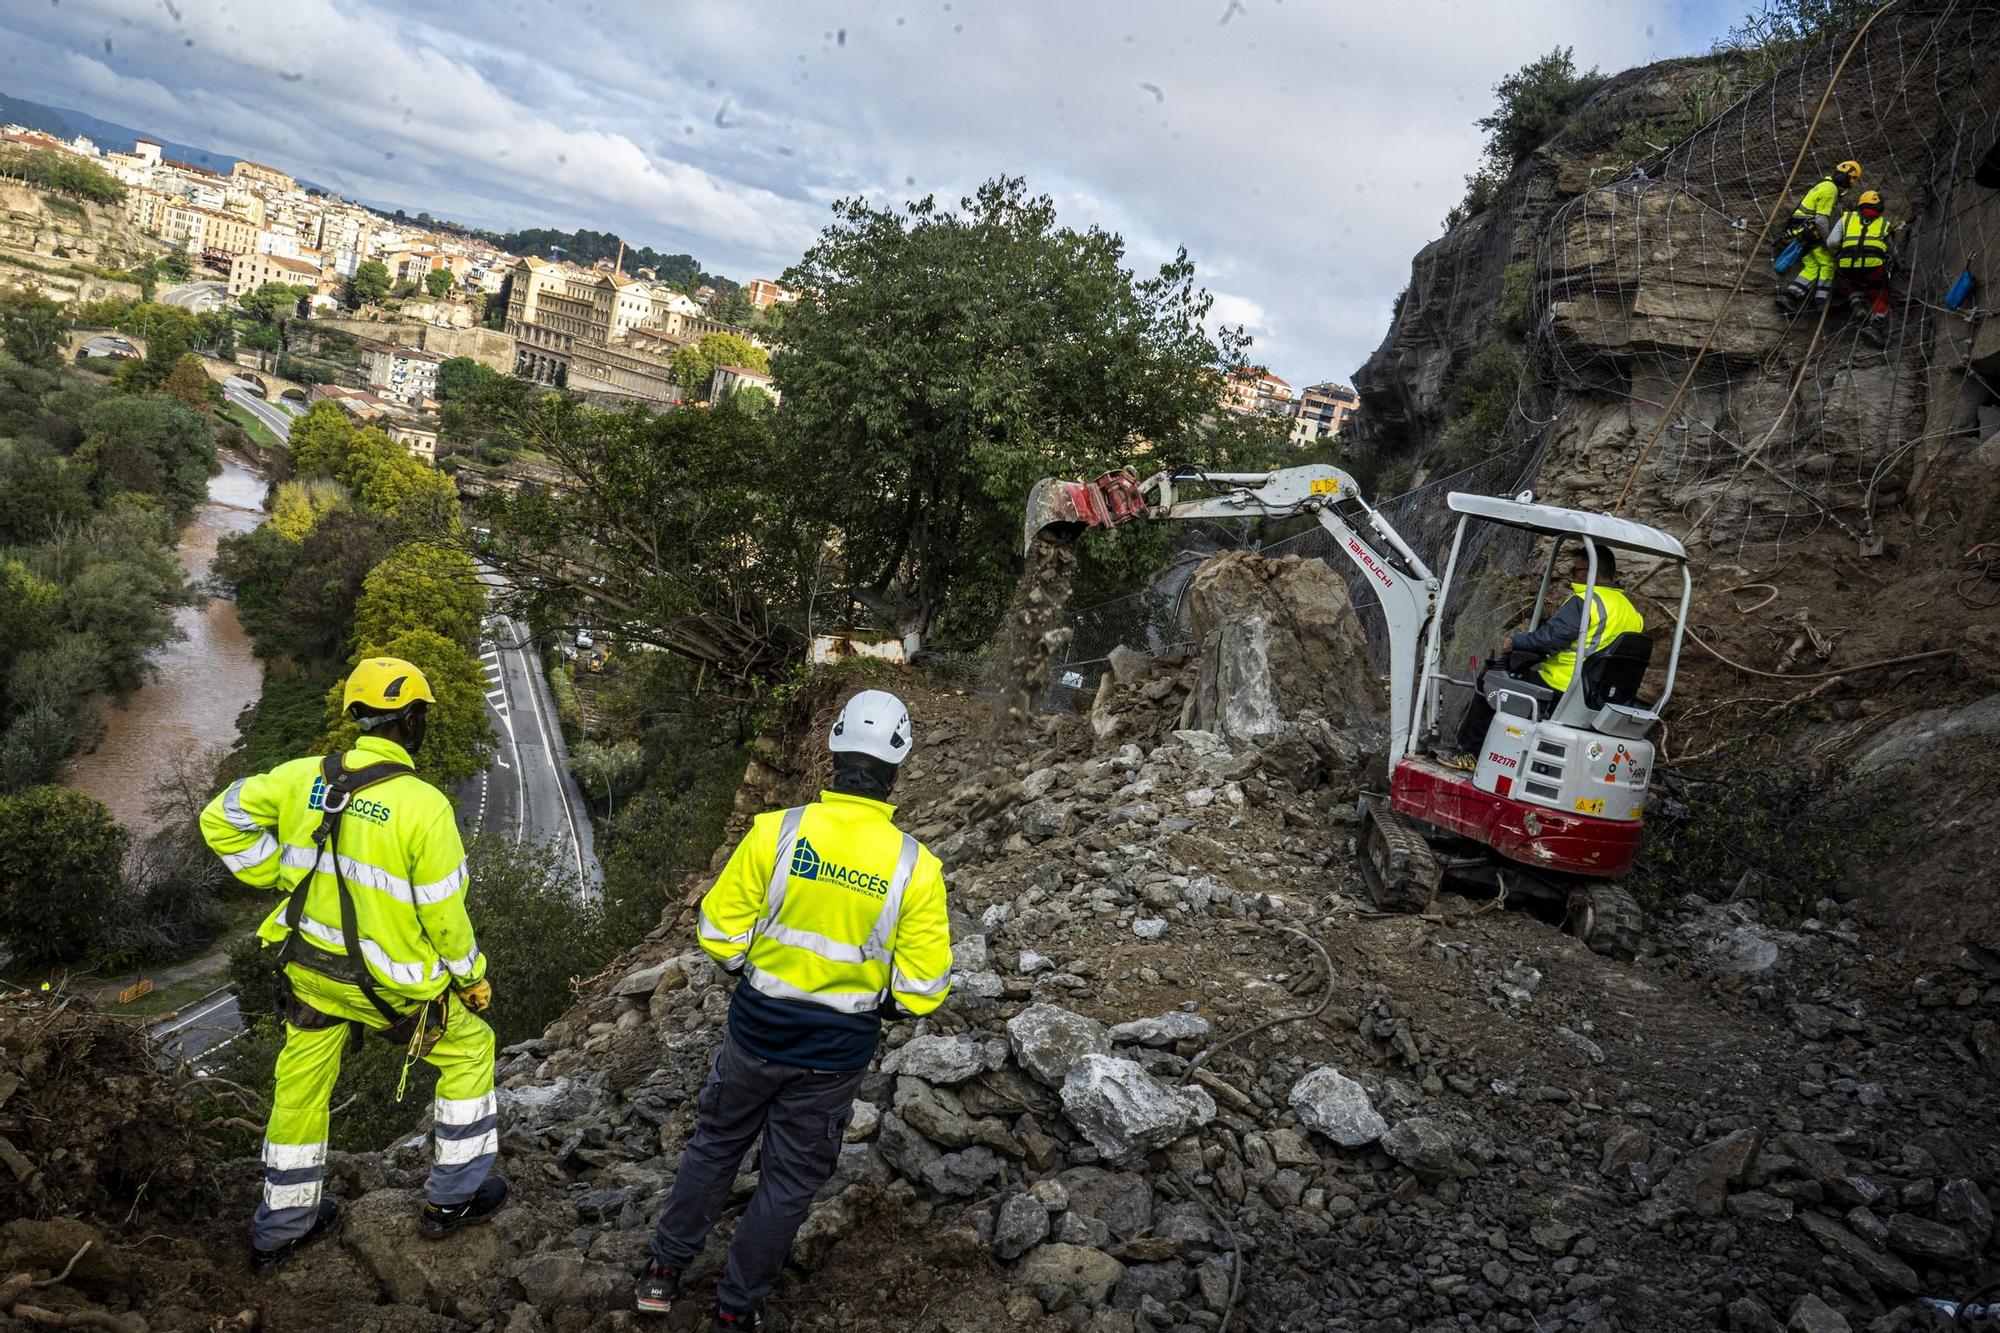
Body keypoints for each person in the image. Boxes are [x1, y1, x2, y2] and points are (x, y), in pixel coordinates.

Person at [635, 689, 954, 1330]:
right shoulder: (915, 869)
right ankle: (734, 1312)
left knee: (713, 1149)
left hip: (754, 1034)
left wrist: (755, 976)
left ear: (833, 750)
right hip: (833, 1059)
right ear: (898, 765)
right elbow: (922, 989)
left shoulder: (776, 832)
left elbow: (718, 935)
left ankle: (662, 1275)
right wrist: (875, 1007)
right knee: (787, 1184)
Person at [200, 657, 506, 1272]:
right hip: (395, 988)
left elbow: (220, 818)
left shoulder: (299, 777)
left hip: (311, 972)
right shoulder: (423, 807)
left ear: (357, 719)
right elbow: (445, 918)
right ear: (413, 720)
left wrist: (279, 875)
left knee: (300, 1087)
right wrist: (471, 980)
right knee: (470, 1051)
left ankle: (283, 1226)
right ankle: (454, 1199)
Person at [1449, 546, 1645, 765]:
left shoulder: (1586, 600)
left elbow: (1552, 639)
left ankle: (1468, 754)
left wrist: (1516, 642)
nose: (1573, 575)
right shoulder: (1633, 613)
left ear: (1591, 571)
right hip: (1599, 697)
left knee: (1490, 683)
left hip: (1561, 686)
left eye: (1576, 569)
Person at [1777, 159, 1861, 314]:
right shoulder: (1830, 190)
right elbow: (1821, 220)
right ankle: (1822, 300)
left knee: (1812, 265)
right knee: (1828, 263)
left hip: (1799, 229)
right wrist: (1829, 241)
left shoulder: (1823, 183)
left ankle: (1789, 296)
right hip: (1809, 231)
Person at [1832, 189, 1894, 345]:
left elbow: (1831, 242)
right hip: (1874, 268)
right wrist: (1899, 265)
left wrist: (1845, 249)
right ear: (1880, 207)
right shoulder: (1885, 224)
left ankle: (1857, 303)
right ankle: (1875, 325)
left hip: (1847, 265)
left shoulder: (1845, 219)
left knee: (1850, 278)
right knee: (1881, 293)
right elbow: (1893, 250)